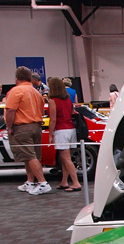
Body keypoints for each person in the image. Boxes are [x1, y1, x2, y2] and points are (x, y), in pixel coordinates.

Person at [6, 66, 50, 196]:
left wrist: (9, 126)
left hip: (22, 127)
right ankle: (30, 181)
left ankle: (42, 183)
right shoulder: (36, 92)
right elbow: (42, 110)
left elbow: (10, 110)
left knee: (29, 156)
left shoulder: (16, 91)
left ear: (17, 78)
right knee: (32, 155)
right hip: (36, 126)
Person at [47, 76, 81, 192]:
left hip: (61, 130)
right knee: (65, 157)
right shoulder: (68, 100)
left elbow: (53, 120)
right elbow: (72, 113)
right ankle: (64, 181)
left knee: (66, 158)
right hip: (71, 129)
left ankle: (76, 183)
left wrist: (50, 134)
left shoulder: (53, 101)